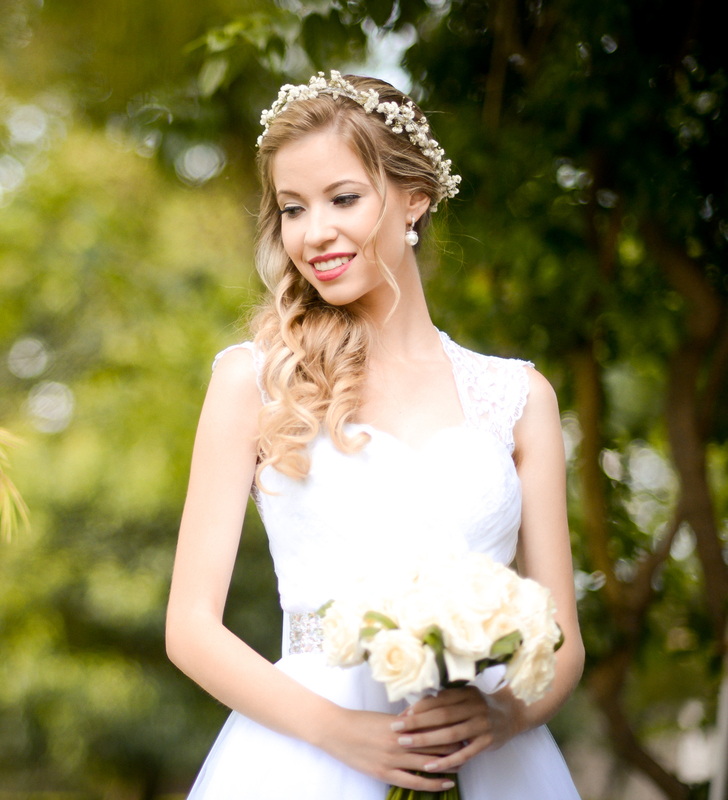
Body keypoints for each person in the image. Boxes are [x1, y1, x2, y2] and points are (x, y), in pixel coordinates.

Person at [165, 71, 584, 799]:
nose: (313, 233)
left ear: (414, 197)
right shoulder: (254, 381)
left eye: (343, 199)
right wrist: (341, 732)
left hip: (490, 763)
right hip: (303, 759)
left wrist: (502, 716)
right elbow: (190, 627)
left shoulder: (520, 399)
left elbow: (564, 643)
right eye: (292, 208)